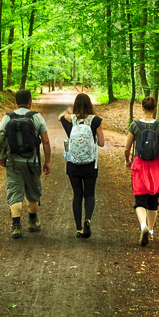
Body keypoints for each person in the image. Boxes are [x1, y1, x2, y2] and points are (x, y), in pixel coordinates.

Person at [0, 88, 51, 238]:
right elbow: (46, 141)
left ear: (15, 102)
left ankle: (16, 226)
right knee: (32, 191)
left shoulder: (8, 118)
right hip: (32, 161)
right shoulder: (37, 117)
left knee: (15, 192)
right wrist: (47, 161)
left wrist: (2, 157)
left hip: (13, 161)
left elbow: (0, 139)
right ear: (30, 102)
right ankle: (33, 222)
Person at [124, 95, 159, 246]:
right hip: (155, 166)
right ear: (155, 108)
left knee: (140, 200)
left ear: (142, 108)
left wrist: (127, 160)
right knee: (153, 200)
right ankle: (150, 230)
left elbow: (127, 148)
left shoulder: (135, 125)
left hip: (139, 164)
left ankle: (142, 225)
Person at [60, 93, 106, 238]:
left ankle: (79, 228)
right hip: (90, 164)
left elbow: (60, 116)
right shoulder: (96, 120)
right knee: (90, 194)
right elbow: (101, 143)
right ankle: (88, 219)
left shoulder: (69, 119)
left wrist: (70, 111)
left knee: (77, 195)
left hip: (73, 164)